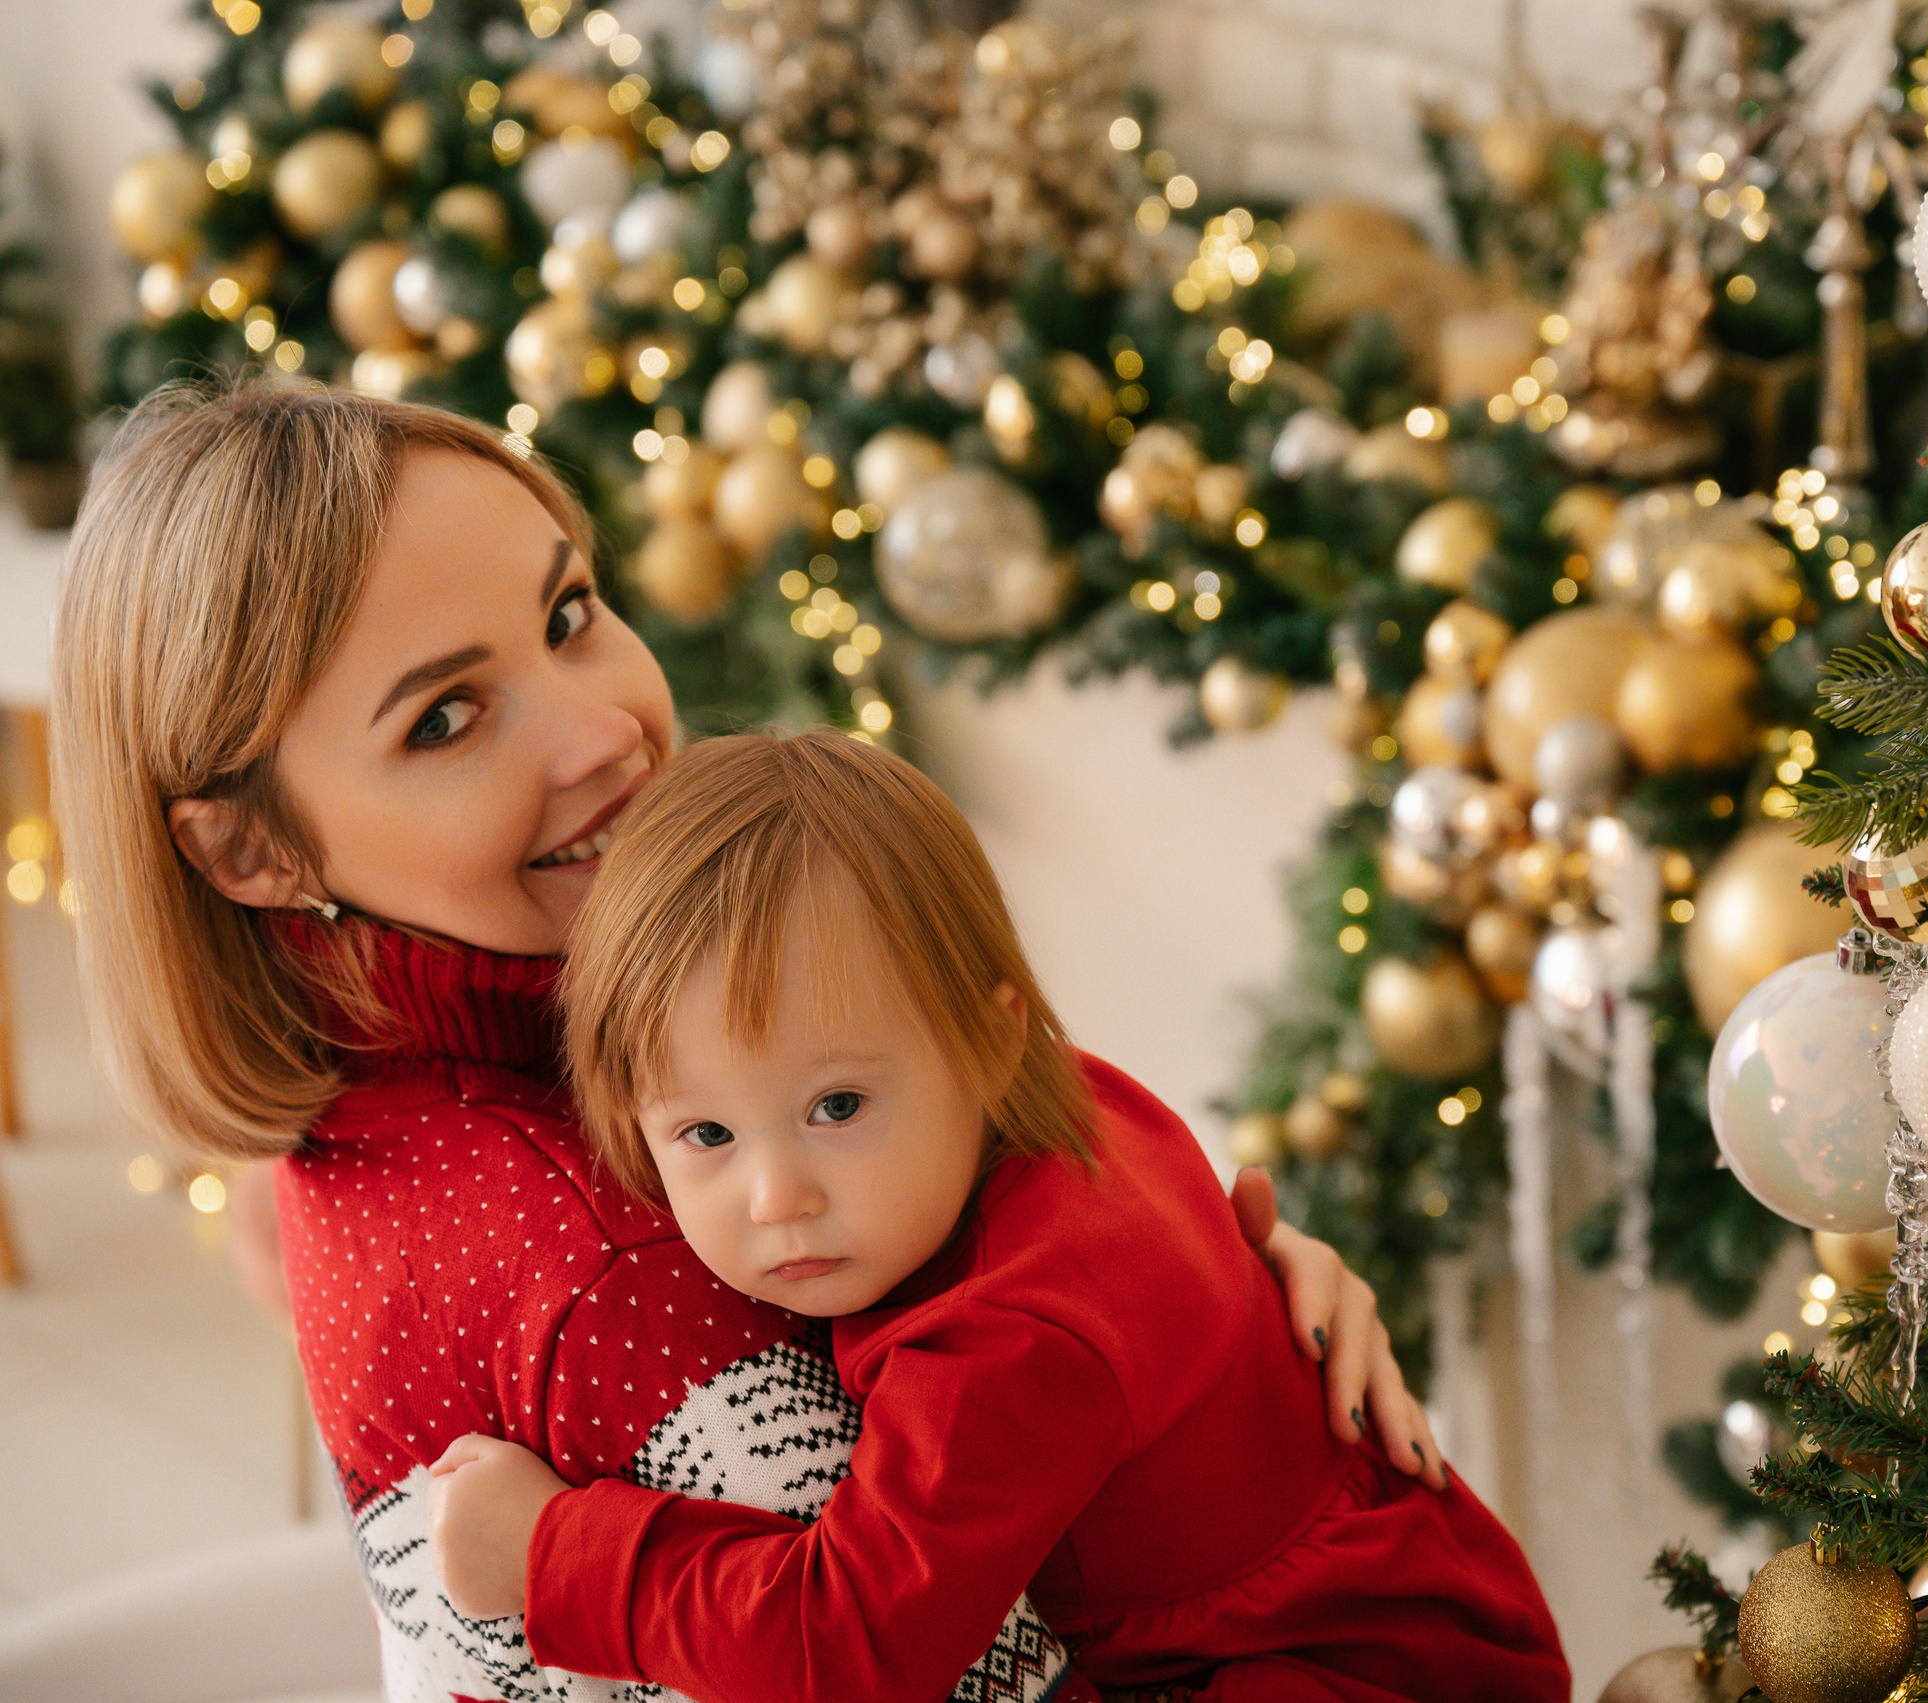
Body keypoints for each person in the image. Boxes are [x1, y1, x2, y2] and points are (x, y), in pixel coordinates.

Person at [53, 383, 1445, 1703]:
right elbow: (872, 1641)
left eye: (571, 609)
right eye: (445, 716)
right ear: (249, 844)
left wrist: (1196, 1324)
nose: (607, 730)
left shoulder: (435, 1097)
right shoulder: (631, 1264)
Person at [424, 730, 1568, 1703]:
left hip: (1337, 1667)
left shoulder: (1012, 1335)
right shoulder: (1041, 1112)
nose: (777, 1199)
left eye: (837, 1104)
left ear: (992, 1036)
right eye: (706, 1135)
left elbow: (849, 1641)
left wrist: (546, 1551)